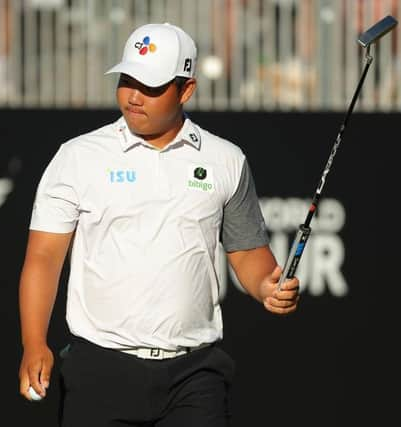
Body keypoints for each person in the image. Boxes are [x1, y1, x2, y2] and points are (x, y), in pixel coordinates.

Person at [17, 22, 300, 427]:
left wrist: (266, 287)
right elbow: (44, 257)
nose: (133, 96)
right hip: (100, 372)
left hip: (195, 375)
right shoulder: (76, 157)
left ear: (186, 90)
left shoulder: (226, 160)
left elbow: (248, 252)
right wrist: (33, 342)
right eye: (127, 79)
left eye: (150, 86)